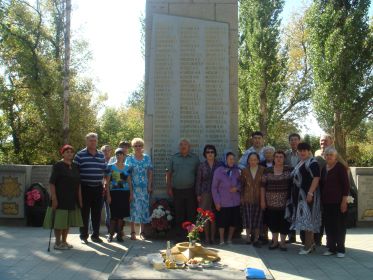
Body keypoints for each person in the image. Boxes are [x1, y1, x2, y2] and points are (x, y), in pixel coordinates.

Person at [43, 145, 83, 250]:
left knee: (67, 222)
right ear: (63, 153)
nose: (69, 153)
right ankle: (57, 243)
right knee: (59, 222)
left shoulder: (75, 166)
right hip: (60, 198)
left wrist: (79, 199)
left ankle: (64, 241)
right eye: (67, 152)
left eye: (71, 152)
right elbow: (52, 183)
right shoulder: (58, 165)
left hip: (72, 198)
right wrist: (54, 198)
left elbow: (78, 183)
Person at [288, 142, 321, 255]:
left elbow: (316, 178)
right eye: (300, 150)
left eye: (304, 150)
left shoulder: (312, 162)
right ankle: (311, 244)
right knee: (306, 219)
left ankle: (307, 247)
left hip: (308, 195)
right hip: (300, 196)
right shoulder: (301, 162)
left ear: (309, 151)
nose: (302, 152)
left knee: (308, 220)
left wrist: (310, 193)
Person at [74, 133, 107, 244]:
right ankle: (83, 235)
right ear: (86, 141)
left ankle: (95, 235)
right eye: (91, 140)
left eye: (95, 140)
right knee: (84, 213)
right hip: (84, 188)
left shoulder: (101, 155)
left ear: (97, 141)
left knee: (97, 213)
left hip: (98, 188)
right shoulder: (80, 155)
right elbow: (75, 172)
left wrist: (105, 185)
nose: (93, 142)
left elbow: (104, 170)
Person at [166, 138, 200, 239]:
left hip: (190, 191)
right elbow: (168, 173)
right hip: (177, 190)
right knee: (178, 214)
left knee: (191, 214)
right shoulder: (174, 158)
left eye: (185, 144)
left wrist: (198, 191)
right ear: (179, 147)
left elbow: (198, 175)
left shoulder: (195, 159)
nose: (183, 146)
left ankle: (191, 237)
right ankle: (179, 237)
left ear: (189, 147)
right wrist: (169, 187)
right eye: (181, 144)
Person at [320, 147, 349, 258]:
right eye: (327, 155)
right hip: (327, 202)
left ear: (335, 156)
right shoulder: (324, 168)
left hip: (338, 202)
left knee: (339, 226)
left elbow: (346, 186)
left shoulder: (340, 167)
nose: (328, 156)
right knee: (329, 226)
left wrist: (344, 202)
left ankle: (341, 249)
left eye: (331, 155)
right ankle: (331, 248)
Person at [261, 150, 292, 251]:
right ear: (274, 159)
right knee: (273, 223)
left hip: (285, 203)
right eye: (277, 157)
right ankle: (274, 242)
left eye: (281, 157)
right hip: (271, 204)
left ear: (284, 159)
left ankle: (282, 243)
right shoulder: (267, 170)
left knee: (284, 223)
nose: (279, 159)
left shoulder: (289, 170)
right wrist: (262, 200)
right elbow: (262, 187)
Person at [126, 138, 153, 240]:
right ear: (133, 147)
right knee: (133, 209)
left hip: (144, 188)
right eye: (136, 146)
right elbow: (127, 174)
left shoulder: (147, 158)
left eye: (140, 145)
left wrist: (149, 185)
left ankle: (142, 232)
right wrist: (130, 189)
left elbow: (150, 172)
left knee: (143, 208)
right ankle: (133, 231)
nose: (138, 147)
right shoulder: (129, 159)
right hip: (133, 188)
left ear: (142, 147)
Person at [211, 151, 241, 245]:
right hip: (223, 202)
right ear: (225, 159)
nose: (232, 161)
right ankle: (221, 240)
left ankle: (229, 239)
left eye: (233, 159)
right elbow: (214, 187)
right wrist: (217, 202)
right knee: (222, 222)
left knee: (233, 222)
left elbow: (242, 183)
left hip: (235, 201)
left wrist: (237, 188)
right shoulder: (219, 170)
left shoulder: (237, 170)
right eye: (230, 159)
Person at [195, 144, 220, 244]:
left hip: (216, 194)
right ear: (205, 154)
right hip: (205, 193)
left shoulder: (219, 165)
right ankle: (206, 237)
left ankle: (213, 238)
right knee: (205, 216)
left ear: (215, 153)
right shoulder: (202, 165)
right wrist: (198, 194)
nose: (210, 154)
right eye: (208, 152)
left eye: (212, 152)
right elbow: (198, 181)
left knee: (213, 216)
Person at [105, 148, 131, 242]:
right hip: (114, 193)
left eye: (121, 154)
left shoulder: (128, 167)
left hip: (124, 193)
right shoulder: (110, 167)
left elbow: (129, 181)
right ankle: (110, 235)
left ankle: (119, 235)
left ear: (124, 156)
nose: (119, 156)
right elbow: (107, 183)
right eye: (117, 154)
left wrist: (131, 194)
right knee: (113, 215)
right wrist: (108, 195)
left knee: (121, 216)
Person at [241, 152, 265, 247]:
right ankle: (247, 237)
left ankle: (256, 238)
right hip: (248, 198)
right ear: (248, 161)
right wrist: (242, 197)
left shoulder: (263, 170)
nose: (253, 161)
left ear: (258, 160)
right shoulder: (244, 170)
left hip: (259, 198)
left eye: (255, 159)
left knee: (257, 219)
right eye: (251, 159)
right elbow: (242, 185)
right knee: (248, 218)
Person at [284, 133, 301, 243]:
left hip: (301, 186)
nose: (294, 142)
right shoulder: (286, 154)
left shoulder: (305, 153)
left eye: (296, 140)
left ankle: (304, 236)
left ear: (299, 141)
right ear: (289, 142)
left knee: (301, 209)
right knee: (290, 208)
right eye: (292, 140)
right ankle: (291, 235)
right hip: (289, 185)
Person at [101, 145, 112, 233]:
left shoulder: (114, 161)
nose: (106, 152)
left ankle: (110, 228)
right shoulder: (99, 161)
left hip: (111, 189)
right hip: (100, 189)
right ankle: (93, 229)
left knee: (109, 210)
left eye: (108, 150)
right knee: (97, 209)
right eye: (104, 150)